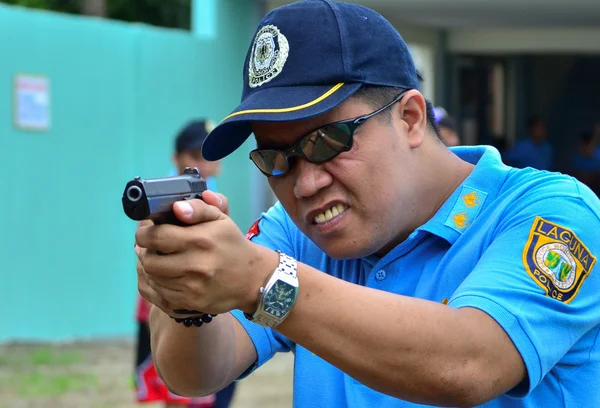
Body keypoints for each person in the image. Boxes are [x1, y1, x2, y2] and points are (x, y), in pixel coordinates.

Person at [133, 1, 600, 407]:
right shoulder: (296, 234)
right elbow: (195, 376)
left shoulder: (552, 211)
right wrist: (184, 294)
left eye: (328, 140)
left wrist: (263, 280)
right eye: (276, 158)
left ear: (411, 118)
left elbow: (469, 363)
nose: (306, 183)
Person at [133, 119, 221, 408]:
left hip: (201, 298)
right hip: (165, 294)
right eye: (195, 158)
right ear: (176, 159)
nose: (204, 166)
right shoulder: (163, 196)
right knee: (172, 384)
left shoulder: (212, 191)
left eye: (209, 158)